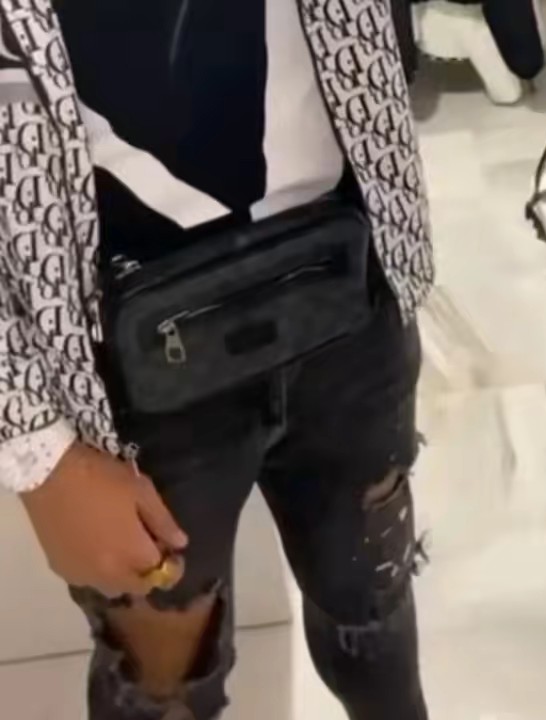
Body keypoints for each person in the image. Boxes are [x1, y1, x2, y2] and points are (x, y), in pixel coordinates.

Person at [0, 0, 434, 718]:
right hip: (120, 372)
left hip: (349, 286)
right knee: (162, 685)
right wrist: (38, 448)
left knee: (373, 613)